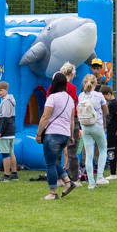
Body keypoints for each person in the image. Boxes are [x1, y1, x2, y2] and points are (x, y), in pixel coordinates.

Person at [36, 72, 78, 200]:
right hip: (65, 134)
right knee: (52, 161)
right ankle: (68, 182)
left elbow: (45, 117)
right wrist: (71, 135)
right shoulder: (70, 99)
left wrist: (39, 134)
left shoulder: (52, 97)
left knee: (50, 163)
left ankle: (53, 193)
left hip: (53, 133)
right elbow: (72, 120)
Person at [77, 74, 109, 188]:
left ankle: (91, 182)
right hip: (97, 125)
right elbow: (106, 111)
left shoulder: (81, 96)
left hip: (85, 126)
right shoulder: (98, 95)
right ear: (95, 83)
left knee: (89, 155)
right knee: (103, 149)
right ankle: (100, 176)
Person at [59, 62, 83, 183]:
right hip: (71, 118)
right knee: (72, 150)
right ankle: (74, 178)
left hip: (58, 119)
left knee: (57, 150)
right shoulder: (72, 88)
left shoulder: (54, 87)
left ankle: (58, 178)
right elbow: (73, 106)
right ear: (72, 74)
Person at [0, 81, 18, 182]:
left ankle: (6, 175)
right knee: (11, 152)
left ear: (6, 90)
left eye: (1, 90)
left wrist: (0, 131)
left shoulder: (5, 101)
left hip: (6, 131)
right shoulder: (9, 100)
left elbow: (5, 118)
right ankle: (14, 174)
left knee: (5, 153)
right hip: (11, 130)